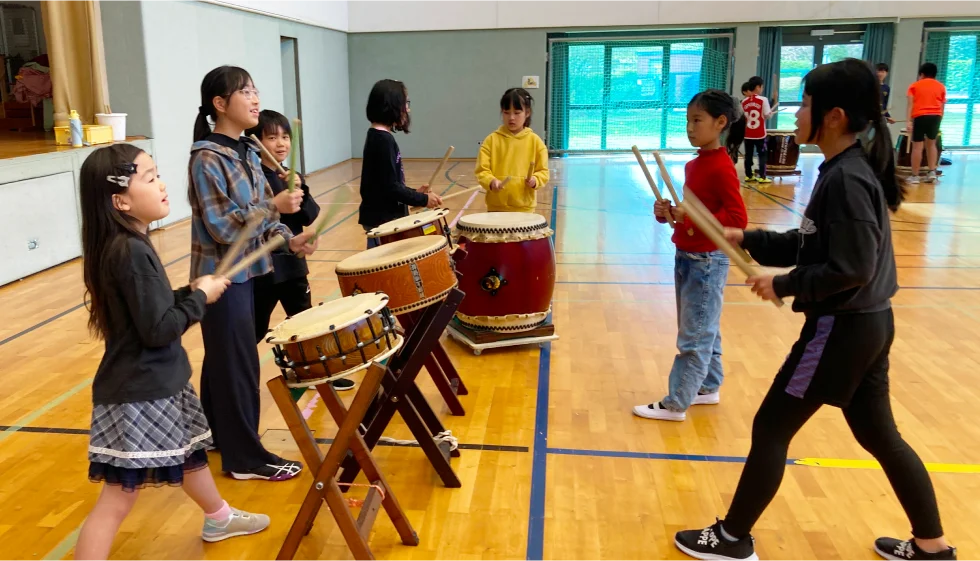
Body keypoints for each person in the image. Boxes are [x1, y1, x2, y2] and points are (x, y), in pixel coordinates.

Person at [674, 58, 956, 561]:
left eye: (805, 103)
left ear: (833, 115)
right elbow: (813, 245)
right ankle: (932, 546)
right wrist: (749, 238)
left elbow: (851, 268)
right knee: (879, 434)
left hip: (841, 328)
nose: (797, 112)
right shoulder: (841, 170)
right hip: (868, 325)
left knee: (772, 426)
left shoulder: (847, 179)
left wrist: (782, 284)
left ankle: (734, 537)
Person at [75, 144, 270, 560]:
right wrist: (200, 299)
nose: (162, 185)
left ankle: (218, 516)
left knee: (189, 455)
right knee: (117, 500)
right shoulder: (130, 251)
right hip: (140, 393)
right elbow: (159, 329)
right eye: (149, 178)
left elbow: (151, 307)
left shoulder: (125, 245)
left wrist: (192, 290)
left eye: (158, 174)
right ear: (120, 201)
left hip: (158, 382)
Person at [189, 65, 317, 481]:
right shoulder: (207, 157)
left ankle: (215, 434)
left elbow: (263, 217)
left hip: (250, 272)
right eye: (245, 92)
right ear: (220, 104)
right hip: (220, 279)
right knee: (238, 367)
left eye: (255, 90)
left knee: (228, 362)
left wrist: (287, 238)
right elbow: (224, 227)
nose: (255, 98)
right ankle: (245, 458)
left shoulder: (246, 150)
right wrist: (274, 209)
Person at [632, 89, 748, 422]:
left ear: (720, 122)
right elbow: (688, 215)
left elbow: (737, 220)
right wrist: (666, 212)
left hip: (708, 261)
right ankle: (707, 387)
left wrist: (691, 216)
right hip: (687, 254)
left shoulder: (722, 167)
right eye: (687, 121)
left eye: (697, 120)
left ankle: (676, 403)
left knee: (695, 334)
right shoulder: (695, 164)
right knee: (703, 326)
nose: (690, 127)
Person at [245, 110, 354, 392]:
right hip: (266, 269)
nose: (281, 144)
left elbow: (308, 215)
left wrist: (299, 186)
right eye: (272, 137)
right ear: (256, 142)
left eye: (285, 137)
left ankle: (320, 374)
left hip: (293, 264)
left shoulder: (289, 175)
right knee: (254, 329)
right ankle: (241, 379)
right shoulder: (255, 177)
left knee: (305, 322)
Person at [357, 79, 442, 249]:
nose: (408, 109)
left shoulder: (379, 137)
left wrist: (412, 193)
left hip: (382, 219)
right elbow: (390, 188)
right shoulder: (382, 141)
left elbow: (388, 184)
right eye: (405, 103)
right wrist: (423, 199)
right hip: (382, 223)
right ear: (392, 105)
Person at [475, 88, 550, 212]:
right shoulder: (491, 140)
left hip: (525, 208)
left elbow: (543, 171)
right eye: (506, 112)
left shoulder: (536, 142)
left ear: (527, 113)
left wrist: (535, 180)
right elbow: (482, 171)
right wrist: (491, 181)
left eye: (517, 112)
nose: (511, 118)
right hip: (496, 207)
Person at [906, 62, 946, 184]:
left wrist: (908, 121)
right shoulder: (941, 87)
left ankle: (915, 176)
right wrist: (939, 118)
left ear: (921, 74)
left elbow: (910, 105)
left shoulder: (914, 86)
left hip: (920, 116)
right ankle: (932, 172)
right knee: (931, 144)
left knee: (918, 147)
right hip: (936, 117)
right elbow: (942, 105)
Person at [740, 76, 774, 184]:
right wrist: (770, 114)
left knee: (749, 154)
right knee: (762, 154)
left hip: (748, 133)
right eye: (762, 87)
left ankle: (749, 175)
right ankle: (762, 176)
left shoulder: (744, 102)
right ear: (758, 87)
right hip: (759, 133)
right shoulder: (763, 100)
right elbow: (767, 115)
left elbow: (744, 116)